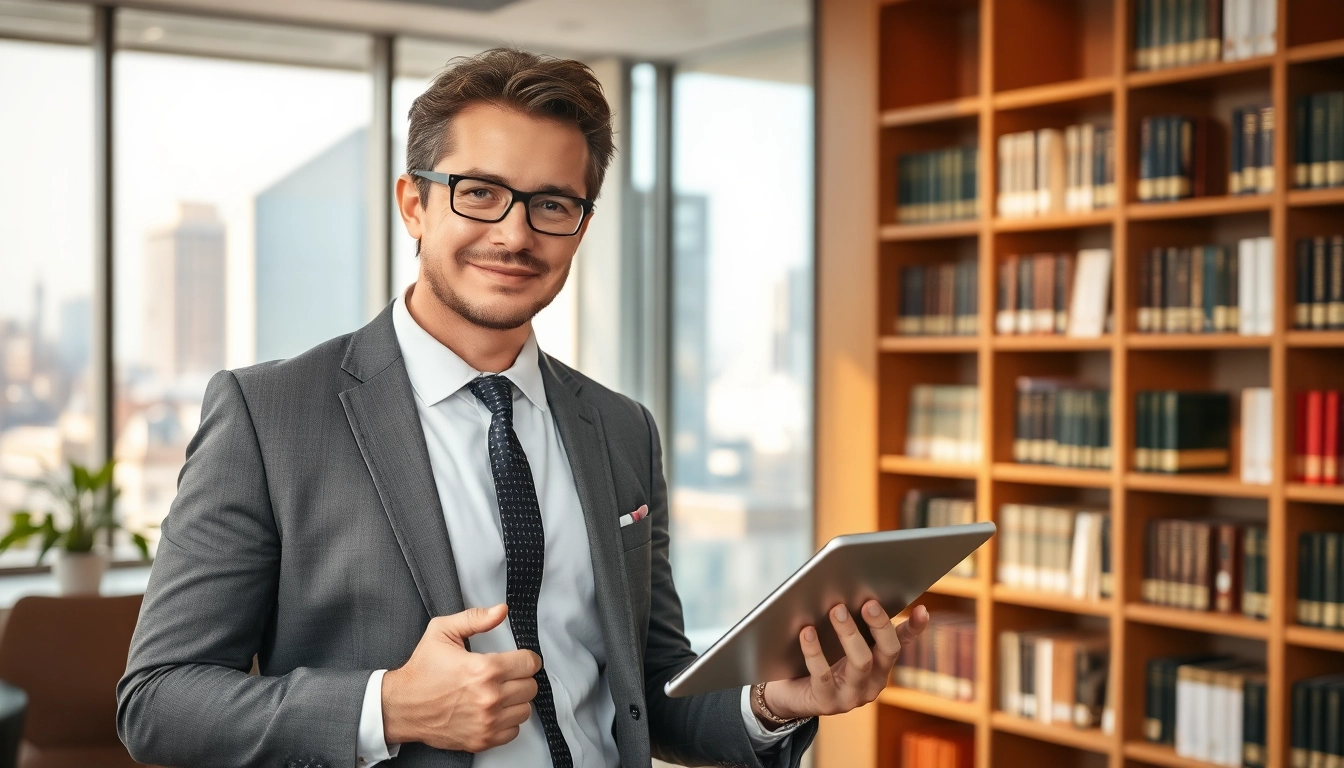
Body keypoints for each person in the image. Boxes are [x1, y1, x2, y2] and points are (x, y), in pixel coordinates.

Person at [116, 47, 929, 768]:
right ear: (414, 203)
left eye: (551, 204)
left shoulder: (619, 428)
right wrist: (389, 705)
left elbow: (647, 690)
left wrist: (774, 701)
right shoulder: (270, 416)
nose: (514, 235)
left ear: (580, 225)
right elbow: (157, 702)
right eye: (480, 193)